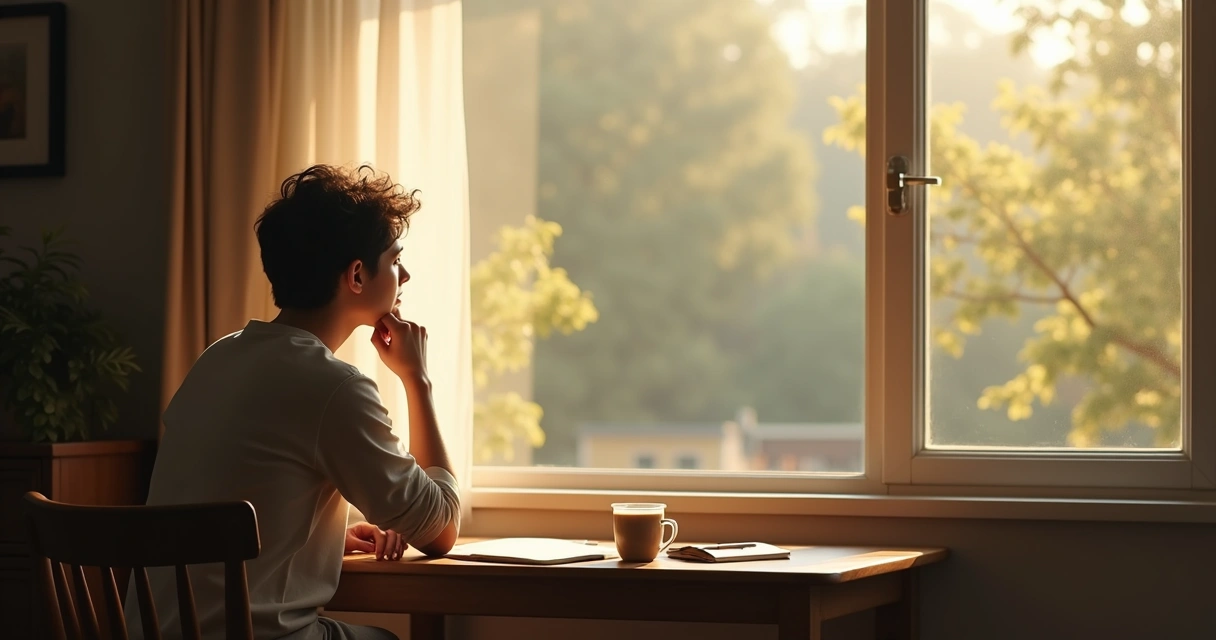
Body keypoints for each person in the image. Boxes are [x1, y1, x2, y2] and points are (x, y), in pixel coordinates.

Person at [127, 165, 460, 640]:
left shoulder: (217, 359)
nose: (404, 274)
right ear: (357, 275)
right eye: (394, 261)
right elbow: (440, 531)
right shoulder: (334, 387)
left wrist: (319, 541)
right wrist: (417, 381)